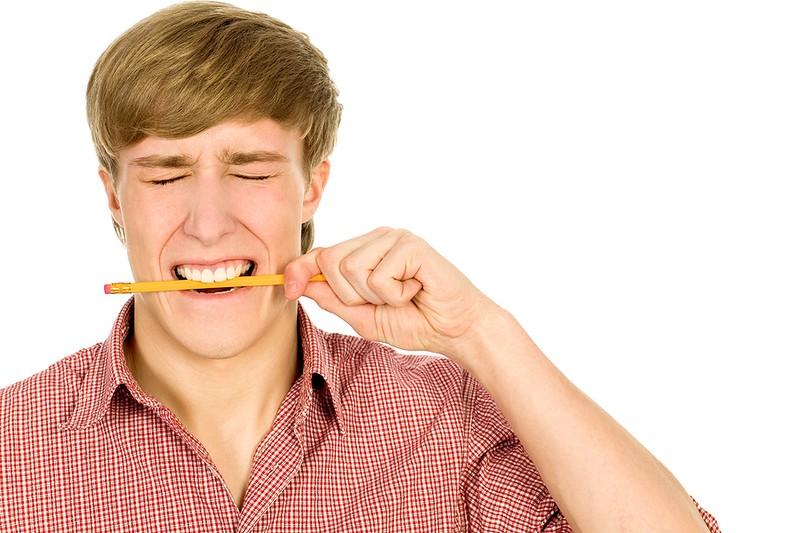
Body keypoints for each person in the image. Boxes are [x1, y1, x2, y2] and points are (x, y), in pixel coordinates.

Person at [0, 1, 722, 531]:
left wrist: (482, 332)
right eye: (165, 175)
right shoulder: (12, 445)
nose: (207, 222)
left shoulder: (444, 421)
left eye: (251, 172)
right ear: (113, 197)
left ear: (311, 186)